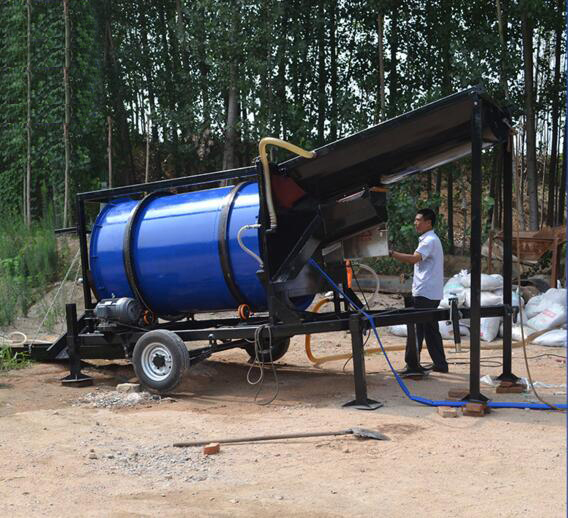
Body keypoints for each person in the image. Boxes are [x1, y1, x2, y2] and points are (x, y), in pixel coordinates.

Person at [388, 208, 448, 376]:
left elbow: (414, 258)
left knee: (416, 328)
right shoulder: (431, 239)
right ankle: (440, 364)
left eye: (418, 220)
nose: (415, 223)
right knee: (430, 329)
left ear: (428, 222)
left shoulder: (429, 240)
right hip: (431, 292)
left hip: (425, 292)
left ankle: (412, 365)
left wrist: (392, 253)